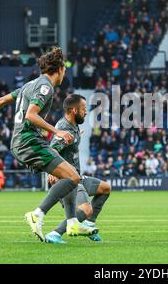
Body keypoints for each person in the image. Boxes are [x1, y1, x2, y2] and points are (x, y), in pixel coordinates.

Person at [0, 46, 89, 242]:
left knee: (70, 176)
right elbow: (31, 114)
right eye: (64, 70)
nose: (64, 74)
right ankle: (38, 214)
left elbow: (2, 99)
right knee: (73, 177)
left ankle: (71, 222)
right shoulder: (45, 87)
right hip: (28, 141)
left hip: (22, 142)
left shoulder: (30, 84)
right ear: (59, 69)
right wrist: (56, 131)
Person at [45, 94, 111, 244]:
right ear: (74, 110)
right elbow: (52, 150)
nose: (86, 112)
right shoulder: (64, 128)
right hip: (65, 179)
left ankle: (88, 223)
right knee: (86, 209)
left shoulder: (74, 126)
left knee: (105, 188)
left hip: (77, 177)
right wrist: (51, 172)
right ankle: (55, 233)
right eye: (83, 109)